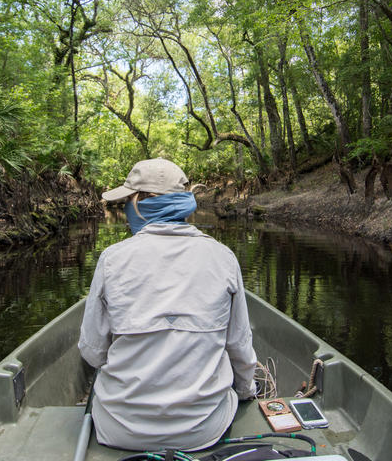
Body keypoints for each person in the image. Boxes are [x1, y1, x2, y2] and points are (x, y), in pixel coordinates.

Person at [79, 158, 258, 452]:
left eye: (126, 202)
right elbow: (239, 347)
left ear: (137, 204)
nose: (124, 211)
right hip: (203, 430)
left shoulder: (112, 259)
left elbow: (93, 352)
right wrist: (247, 390)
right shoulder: (223, 257)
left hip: (119, 428)